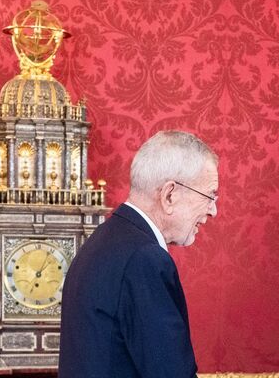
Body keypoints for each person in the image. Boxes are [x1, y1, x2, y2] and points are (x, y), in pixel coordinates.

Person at [59, 130, 219, 377]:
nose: (213, 210)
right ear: (170, 195)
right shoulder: (144, 260)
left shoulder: (104, 240)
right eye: (209, 196)